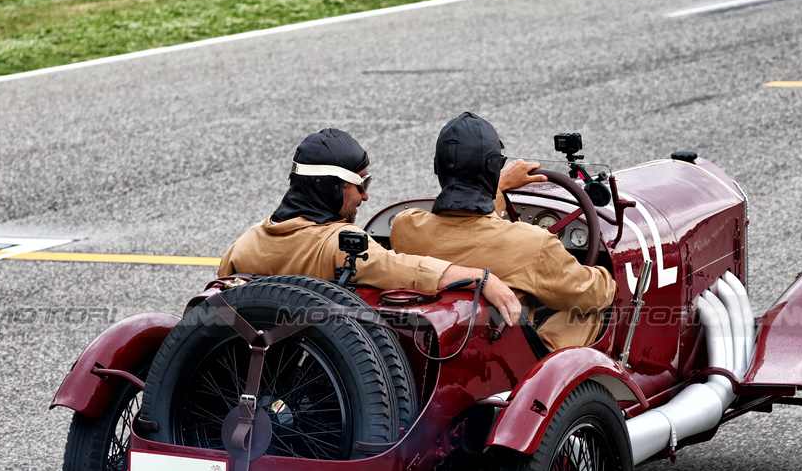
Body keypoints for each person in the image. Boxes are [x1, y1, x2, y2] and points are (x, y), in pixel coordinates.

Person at [218, 128, 522, 325]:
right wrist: (481, 277)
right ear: (332, 187)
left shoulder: (243, 244)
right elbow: (405, 269)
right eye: (361, 183)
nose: (366, 195)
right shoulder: (340, 245)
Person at [390, 112, 616, 350]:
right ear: (493, 168)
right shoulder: (532, 243)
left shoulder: (405, 226)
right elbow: (595, 294)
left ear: (438, 167)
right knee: (588, 311)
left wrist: (498, 186)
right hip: (511, 364)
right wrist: (605, 277)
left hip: (440, 351)